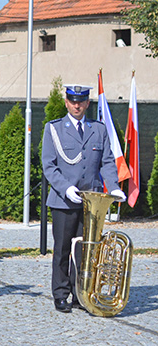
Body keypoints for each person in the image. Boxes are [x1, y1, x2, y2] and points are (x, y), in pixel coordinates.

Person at [41, 84, 125, 313]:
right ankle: (61, 294)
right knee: (62, 250)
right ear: (67, 103)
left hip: (92, 200)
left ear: (87, 103)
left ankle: (81, 293)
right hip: (63, 199)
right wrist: (66, 188)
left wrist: (114, 187)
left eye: (81, 102)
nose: (76, 105)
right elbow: (49, 165)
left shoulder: (98, 129)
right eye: (72, 101)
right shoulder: (54, 129)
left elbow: (107, 161)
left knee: (86, 250)